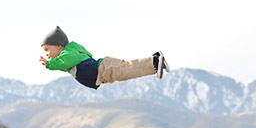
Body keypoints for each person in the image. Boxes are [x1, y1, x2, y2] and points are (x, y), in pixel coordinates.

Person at [40, 26, 169, 89]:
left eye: (47, 50)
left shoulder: (67, 55)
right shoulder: (70, 55)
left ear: (59, 46)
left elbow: (63, 62)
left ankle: (155, 62)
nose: (47, 54)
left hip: (103, 70)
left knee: (127, 70)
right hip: (102, 68)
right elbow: (65, 65)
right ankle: (156, 62)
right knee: (127, 68)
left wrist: (49, 64)